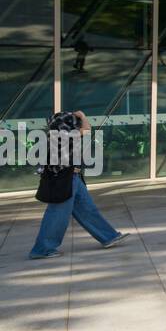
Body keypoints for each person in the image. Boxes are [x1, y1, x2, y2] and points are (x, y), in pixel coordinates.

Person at [29, 110, 130, 259]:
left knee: (87, 209)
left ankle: (108, 236)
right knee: (57, 215)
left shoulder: (56, 134)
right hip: (64, 180)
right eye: (72, 122)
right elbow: (87, 129)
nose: (75, 125)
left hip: (72, 177)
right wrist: (82, 116)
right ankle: (42, 249)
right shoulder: (63, 135)